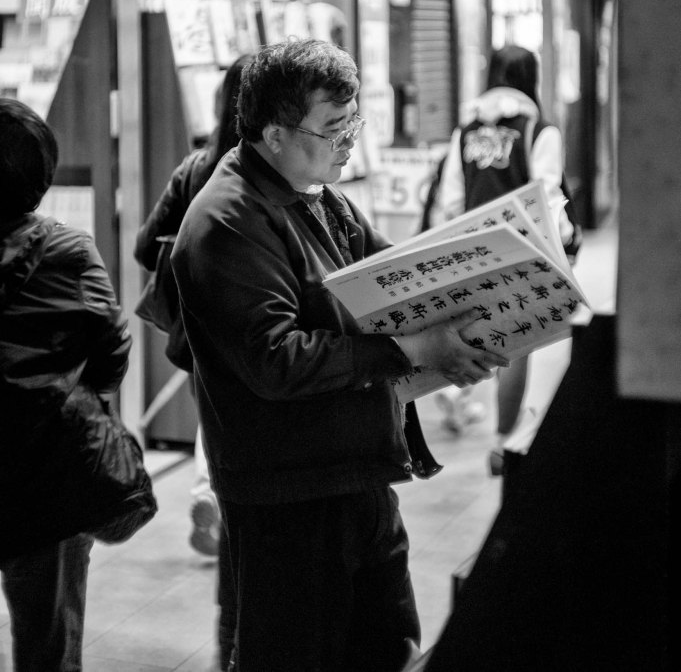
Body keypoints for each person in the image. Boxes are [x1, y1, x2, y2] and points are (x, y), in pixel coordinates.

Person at [171, 38, 508, 672]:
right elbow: (278, 359)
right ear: (274, 133)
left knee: (385, 649)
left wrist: (475, 315)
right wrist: (415, 348)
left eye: (354, 123)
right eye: (333, 128)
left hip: (356, 471)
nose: (349, 141)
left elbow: (397, 281)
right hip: (289, 495)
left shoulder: (319, 195)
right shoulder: (227, 220)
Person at [0, 98, 131, 672]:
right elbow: (111, 343)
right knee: (47, 638)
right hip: (46, 470)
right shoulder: (68, 249)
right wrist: (80, 400)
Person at [134, 54, 251, 668]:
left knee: (213, 414)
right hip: (254, 331)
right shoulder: (271, 180)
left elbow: (142, 246)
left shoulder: (197, 168)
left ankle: (209, 489)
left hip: (195, 327)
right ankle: (216, 494)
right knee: (234, 423)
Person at [425, 44, 576, 469]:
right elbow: (547, 199)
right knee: (516, 344)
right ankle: (501, 443)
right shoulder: (540, 130)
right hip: (520, 254)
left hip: (470, 250)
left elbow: (451, 200)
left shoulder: (466, 129)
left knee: (469, 330)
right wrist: (565, 240)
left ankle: (455, 396)